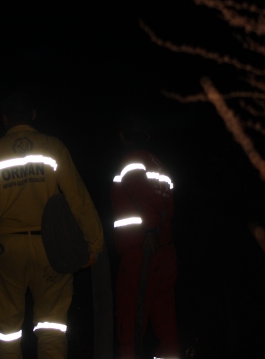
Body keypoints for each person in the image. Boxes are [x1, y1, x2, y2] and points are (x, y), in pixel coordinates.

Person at [0, 93, 104, 359]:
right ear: (33, 115)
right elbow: (78, 198)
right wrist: (94, 244)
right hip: (52, 249)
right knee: (52, 329)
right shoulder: (54, 148)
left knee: (7, 331)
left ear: (5, 119)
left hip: (7, 252)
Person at [110, 115, 179, 358]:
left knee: (130, 325)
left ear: (122, 136)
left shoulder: (131, 161)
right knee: (166, 326)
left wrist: (149, 230)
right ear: (148, 137)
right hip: (166, 254)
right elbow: (166, 206)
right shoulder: (159, 164)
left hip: (141, 252)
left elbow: (140, 194)